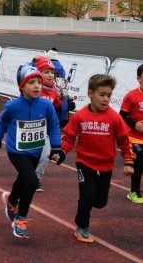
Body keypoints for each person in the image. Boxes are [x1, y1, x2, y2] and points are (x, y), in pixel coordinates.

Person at [53, 74, 134, 242]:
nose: (106, 99)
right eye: (102, 95)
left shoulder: (114, 118)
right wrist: (61, 152)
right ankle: (82, 226)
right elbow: (68, 138)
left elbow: (124, 141)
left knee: (100, 202)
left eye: (109, 96)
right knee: (87, 197)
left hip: (106, 165)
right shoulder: (80, 116)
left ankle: (87, 213)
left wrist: (128, 161)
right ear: (90, 94)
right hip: (85, 163)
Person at [0, 63, 61, 239]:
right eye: (31, 83)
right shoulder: (12, 106)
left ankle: (12, 200)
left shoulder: (46, 106)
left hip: (36, 151)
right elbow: (2, 123)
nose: (37, 86)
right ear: (22, 86)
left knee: (22, 180)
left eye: (39, 82)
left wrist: (56, 146)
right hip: (17, 151)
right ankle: (21, 218)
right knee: (31, 181)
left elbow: (53, 126)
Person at [32, 56, 63, 192]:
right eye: (46, 72)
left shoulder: (54, 91)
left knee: (44, 156)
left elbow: (57, 105)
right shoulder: (32, 89)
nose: (50, 75)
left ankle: (36, 179)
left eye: (52, 72)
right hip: (29, 130)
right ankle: (27, 175)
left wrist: (64, 111)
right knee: (31, 156)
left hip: (45, 130)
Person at [119, 64, 143, 204]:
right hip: (133, 138)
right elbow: (122, 116)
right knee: (139, 163)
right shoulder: (132, 96)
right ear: (138, 78)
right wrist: (135, 125)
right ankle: (133, 191)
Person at [45, 47, 75, 126]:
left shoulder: (45, 66)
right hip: (60, 98)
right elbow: (63, 90)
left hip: (49, 97)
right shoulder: (61, 68)